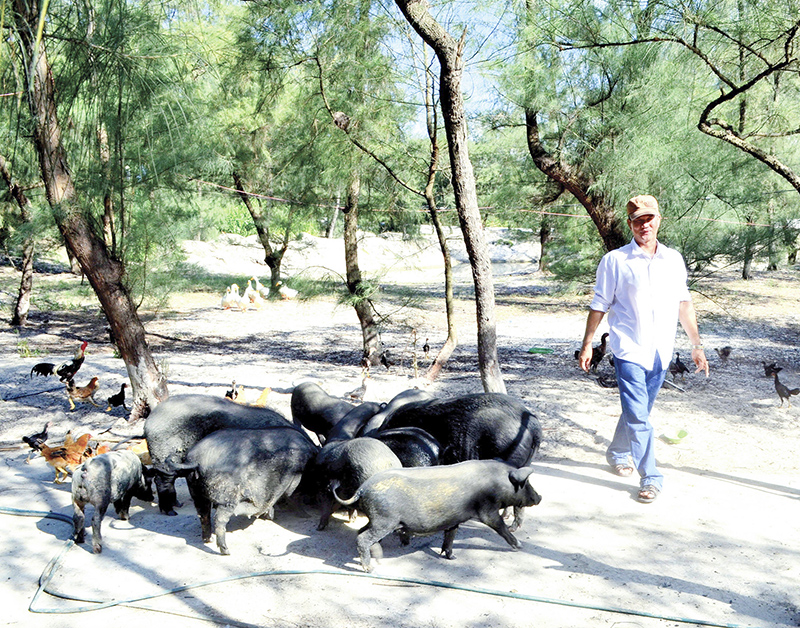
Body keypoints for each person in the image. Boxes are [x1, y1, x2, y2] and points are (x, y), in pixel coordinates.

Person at [578, 194, 709, 504]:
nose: (644, 225)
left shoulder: (673, 260)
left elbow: (684, 304)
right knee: (638, 415)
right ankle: (650, 476)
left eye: (649, 219)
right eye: (638, 221)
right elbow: (599, 304)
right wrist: (587, 344)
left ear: (659, 220)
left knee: (639, 410)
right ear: (630, 224)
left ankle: (617, 451)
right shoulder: (615, 261)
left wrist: (696, 345)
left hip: (661, 350)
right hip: (629, 349)